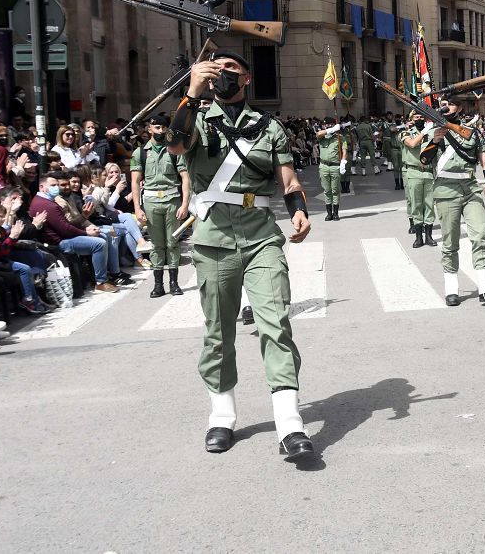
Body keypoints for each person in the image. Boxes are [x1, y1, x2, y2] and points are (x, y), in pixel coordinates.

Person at [167, 49, 315, 463]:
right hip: (213, 240)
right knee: (218, 331)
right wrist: (192, 92)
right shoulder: (194, 116)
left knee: (275, 322)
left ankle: (289, 423)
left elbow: (288, 180)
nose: (222, 73)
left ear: (246, 79)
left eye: (230, 68)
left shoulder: (268, 128)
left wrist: (299, 210)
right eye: (215, 68)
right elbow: (176, 144)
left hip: (261, 237)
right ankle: (222, 415)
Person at [420, 95, 485, 307]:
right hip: (446, 189)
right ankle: (451, 287)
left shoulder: (472, 132)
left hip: (471, 187)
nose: (446, 108)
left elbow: (484, 160)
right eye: (443, 105)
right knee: (450, 240)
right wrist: (436, 139)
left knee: (480, 234)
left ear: (460, 107)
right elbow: (424, 161)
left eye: (451, 104)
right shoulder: (433, 130)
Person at [29, 172, 121, 293]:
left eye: (57, 185)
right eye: (52, 185)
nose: (56, 188)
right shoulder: (46, 204)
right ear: (42, 187)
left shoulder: (48, 201)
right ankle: (100, 282)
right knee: (99, 243)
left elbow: (66, 226)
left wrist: (86, 228)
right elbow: (65, 229)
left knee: (103, 235)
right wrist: (86, 233)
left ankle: (109, 275)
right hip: (60, 242)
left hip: (64, 236)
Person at [131, 116, 190, 297]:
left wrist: (185, 204)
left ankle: (173, 282)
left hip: (172, 200)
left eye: (164, 128)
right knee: (157, 244)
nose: (161, 131)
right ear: (149, 129)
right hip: (150, 201)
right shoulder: (139, 153)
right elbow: (135, 181)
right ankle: (158, 284)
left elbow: (185, 177)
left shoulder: (175, 150)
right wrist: (138, 208)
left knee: (172, 242)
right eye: (157, 127)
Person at [401, 112, 436, 248]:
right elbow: (412, 143)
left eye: (422, 117)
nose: (420, 119)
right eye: (417, 117)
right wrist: (425, 131)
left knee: (429, 205)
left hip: (427, 172)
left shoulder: (431, 133)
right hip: (413, 172)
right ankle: (418, 237)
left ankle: (428, 236)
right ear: (412, 120)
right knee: (416, 204)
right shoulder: (406, 133)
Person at [315, 116, 346, 221]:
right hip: (323, 166)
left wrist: (343, 162)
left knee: (335, 190)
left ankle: (336, 213)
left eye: (330, 124)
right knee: (327, 190)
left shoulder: (340, 137)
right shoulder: (322, 136)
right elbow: (318, 134)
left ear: (334, 124)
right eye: (326, 125)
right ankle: (329, 214)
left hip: (334, 166)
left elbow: (344, 150)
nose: (327, 126)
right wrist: (331, 130)